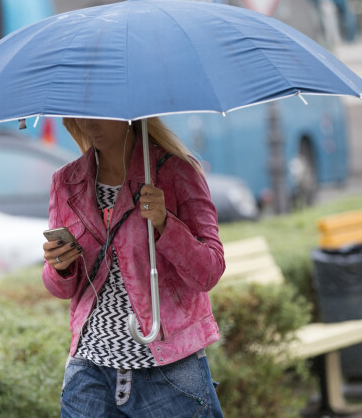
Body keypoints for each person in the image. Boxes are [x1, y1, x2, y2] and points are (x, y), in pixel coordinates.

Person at [42, 117, 225, 418]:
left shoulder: (175, 171)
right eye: (81, 112)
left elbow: (210, 270)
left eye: (99, 110)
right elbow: (60, 288)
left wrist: (166, 224)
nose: (89, 123)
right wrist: (59, 267)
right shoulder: (66, 182)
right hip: (91, 370)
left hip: (169, 367)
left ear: (127, 112)